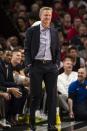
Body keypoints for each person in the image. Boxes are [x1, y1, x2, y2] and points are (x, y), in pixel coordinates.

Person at [24, 7, 60, 131]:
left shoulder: (55, 31)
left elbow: (57, 50)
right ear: (40, 16)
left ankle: (51, 124)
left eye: (49, 15)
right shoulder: (31, 31)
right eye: (45, 15)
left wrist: (57, 64)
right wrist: (29, 66)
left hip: (51, 66)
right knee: (36, 95)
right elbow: (27, 50)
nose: (47, 18)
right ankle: (32, 123)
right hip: (36, 66)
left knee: (52, 96)